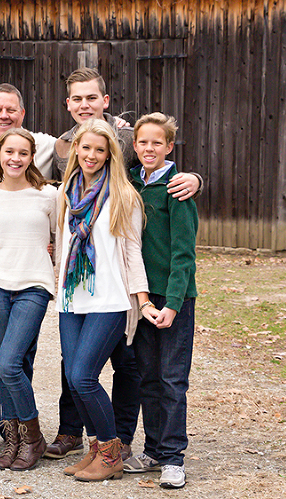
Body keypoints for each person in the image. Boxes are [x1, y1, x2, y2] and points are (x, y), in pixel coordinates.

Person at [45, 67, 202, 462]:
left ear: (105, 100)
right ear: (69, 105)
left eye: (91, 97)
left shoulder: (130, 145)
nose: (85, 104)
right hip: (75, 293)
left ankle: (124, 443)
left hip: (120, 290)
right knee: (77, 371)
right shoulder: (62, 157)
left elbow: (158, 166)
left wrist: (195, 178)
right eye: (77, 99)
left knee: (131, 370)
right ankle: (81, 436)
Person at [55, 118, 152, 482]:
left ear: (111, 154)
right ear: (76, 150)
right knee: (71, 374)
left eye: (100, 149)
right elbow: (62, 247)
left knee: (83, 377)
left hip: (110, 300)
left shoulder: (124, 196)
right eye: (86, 148)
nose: (92, 155)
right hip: (72, 299)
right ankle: (95, 449)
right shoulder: (66, 193)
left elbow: (132, 253)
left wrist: (141, 302)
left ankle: (111, 452)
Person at [0, 83, 56, 453]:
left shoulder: (48, 165)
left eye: (12, 109)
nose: (4, 115)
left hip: (31, 278)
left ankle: (23, 434)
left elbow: (92, 141)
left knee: (14, 358)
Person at [124, 112, 198, 489]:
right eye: (142, 142)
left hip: (174, 298)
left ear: (169, 146)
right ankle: (152, 449)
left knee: (171, 379)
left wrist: (172, 302)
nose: (149, 148)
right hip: (142, 294)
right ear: (134, 146)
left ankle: (173, 456)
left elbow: (184, 253)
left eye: (157, 142)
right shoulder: (132, 182)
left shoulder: (177, 189)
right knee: (148, 377)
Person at [0, 128, 57, 471]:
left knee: (9, 363)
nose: (15, 158)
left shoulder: (48, 195)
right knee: (9, 363)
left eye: (23, 153)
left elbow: (62, 236)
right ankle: (14, 441)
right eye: (9, 152)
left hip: (34, 285)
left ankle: (34, 437)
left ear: (32, 157)